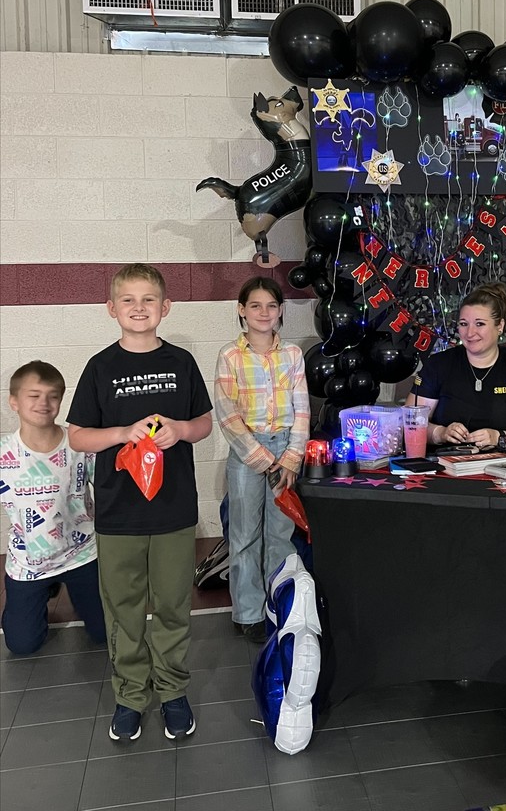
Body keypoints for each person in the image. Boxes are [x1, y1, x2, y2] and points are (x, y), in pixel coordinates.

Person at [67, 264, 212, 743]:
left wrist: (180, 430)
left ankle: (171, 689)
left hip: (172, 510)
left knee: (172, 605)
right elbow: (79, 436)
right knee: (124, 609)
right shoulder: (100, 367)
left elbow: (203, 424)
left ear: (165, 307)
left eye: (148, 299)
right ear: (112, 309)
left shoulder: (182, 363)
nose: (138, 308)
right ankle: (131, 694)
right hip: (118, 512)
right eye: (128, 300)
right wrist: (122, 434)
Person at [214, 276, 310, 644]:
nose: (264, 312)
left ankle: (278, 605)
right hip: (247, 453)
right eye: (255, 306)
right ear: (242, 310)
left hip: (286, 451)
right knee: (244, 535)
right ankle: (248, 613)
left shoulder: (293, 355)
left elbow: (301, 410)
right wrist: (263, 459)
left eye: (271, 306)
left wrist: (290, 458)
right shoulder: (230, 355)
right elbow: (228, 414)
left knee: (281, 535)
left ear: (281, 311)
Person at [1, 361, 106, 655]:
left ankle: (72, 588)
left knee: (103, 635)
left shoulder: (80, 445)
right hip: (28, 563)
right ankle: (40, 594)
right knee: (22, 645)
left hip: (82, 554)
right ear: (14, 402)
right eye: (34, 396)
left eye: (53, 396)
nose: (44, 403)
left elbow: (112, 489)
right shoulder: (3, 453)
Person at [407, 282, 506, 452]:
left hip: (502, 472)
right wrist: (440, 433)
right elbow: (409, 423)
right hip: (444, 469)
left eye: (480, 324)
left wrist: (500, 438)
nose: (470, 333)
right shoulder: (437, 365)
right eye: (463, 324)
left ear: (500, 326)